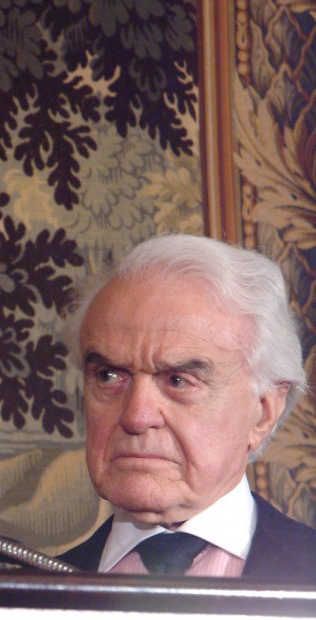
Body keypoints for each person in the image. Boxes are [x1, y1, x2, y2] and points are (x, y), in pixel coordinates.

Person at [58, 233, 316, 581]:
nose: (136, 416)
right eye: (108, 376)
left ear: (264, 412)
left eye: (178, 381)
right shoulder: (18, 604)